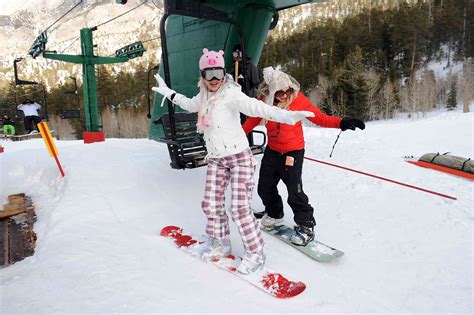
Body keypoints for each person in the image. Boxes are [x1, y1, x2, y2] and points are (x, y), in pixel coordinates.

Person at [152, 48, 314, 274]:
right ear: (203, 76)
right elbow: (189, 104)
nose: (215, 79)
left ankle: (255, 253)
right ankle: (221, 242)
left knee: (239, 209)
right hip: (217, 159)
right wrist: (168, 93)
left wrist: (286, 116)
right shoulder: (204, 96)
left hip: (239, 158)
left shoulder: (231, 94)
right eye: (209, 74)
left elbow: (257, 107)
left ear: (224, 73)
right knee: (210, 203)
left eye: (218, 73)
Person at [243, 67, 365, 246]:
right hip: (273, 150)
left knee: (295, 190)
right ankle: (275, 213)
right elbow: (251, 121)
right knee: (264, 187)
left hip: (293, 151)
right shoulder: (264, 102)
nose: (285, 95)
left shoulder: (298, 100)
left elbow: (319, 118)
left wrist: (342, 122)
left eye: (288, 91)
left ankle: (306, 225)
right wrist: (235, 138)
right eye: (280, 92)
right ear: (271, 92)